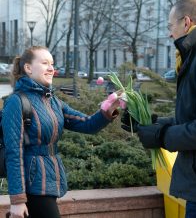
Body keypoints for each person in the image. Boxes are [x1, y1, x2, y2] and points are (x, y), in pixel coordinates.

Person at [121, 0, 196, 217]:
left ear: (186, 22)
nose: (169, 33)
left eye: (170, 26)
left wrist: (162, 136)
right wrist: (151, 123)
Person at [2, 46, 120, 218]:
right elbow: (14, 153)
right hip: (32, 184)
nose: (51, 68)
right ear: (28, 68)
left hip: (50, 180)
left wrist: (107, 110)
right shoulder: (16, 102)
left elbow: (87, 124)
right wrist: (18, 200)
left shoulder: (53, 101)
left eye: (52, 64)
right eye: (44, 63)